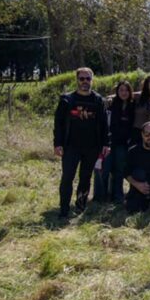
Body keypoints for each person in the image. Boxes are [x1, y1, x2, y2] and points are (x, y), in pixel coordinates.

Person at [53, 67, 109, 218]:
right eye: (82, 79)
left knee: (85, 178)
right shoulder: (67, 100)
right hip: (71, 147)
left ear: (92, 80)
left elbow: (104, 124)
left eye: (88, 79)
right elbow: (58, 124)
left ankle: (80, 206)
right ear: (77, 80)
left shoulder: (98, 100)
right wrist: (57, 144)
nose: (85, 82)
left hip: (91, 147)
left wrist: (105, 144)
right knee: (67, 178)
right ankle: (64, 210)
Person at [95, 80, 135, 203]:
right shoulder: (110, 104)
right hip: (108, 142)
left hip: (123, 144)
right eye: (121, 90)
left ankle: (117, 196)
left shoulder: (133, 105)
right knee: (103, 169)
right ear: (117, 91)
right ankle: (100, 197)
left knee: (119, 171)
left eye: (126, 90)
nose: (124, 93)